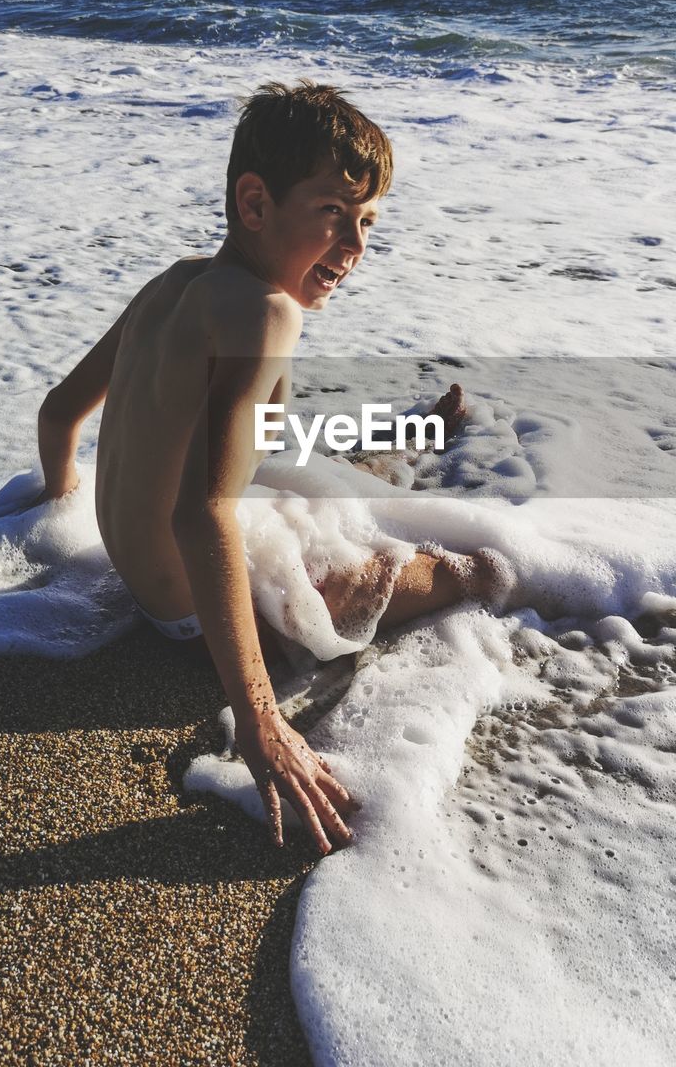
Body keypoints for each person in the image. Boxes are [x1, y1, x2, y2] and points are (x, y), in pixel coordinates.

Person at [36, 81, 512, 856]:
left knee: (293, 458)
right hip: (208, 616)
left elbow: (59, 413)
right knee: (478, 568)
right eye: (332, 213)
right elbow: (202, 514)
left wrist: (55, 509)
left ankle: (405, 440)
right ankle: (431, 481)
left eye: (366, 221)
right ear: (254, 203)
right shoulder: (266, 311)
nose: (355, 245)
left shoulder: (174, 282)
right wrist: (259, 719)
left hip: (158, 579)